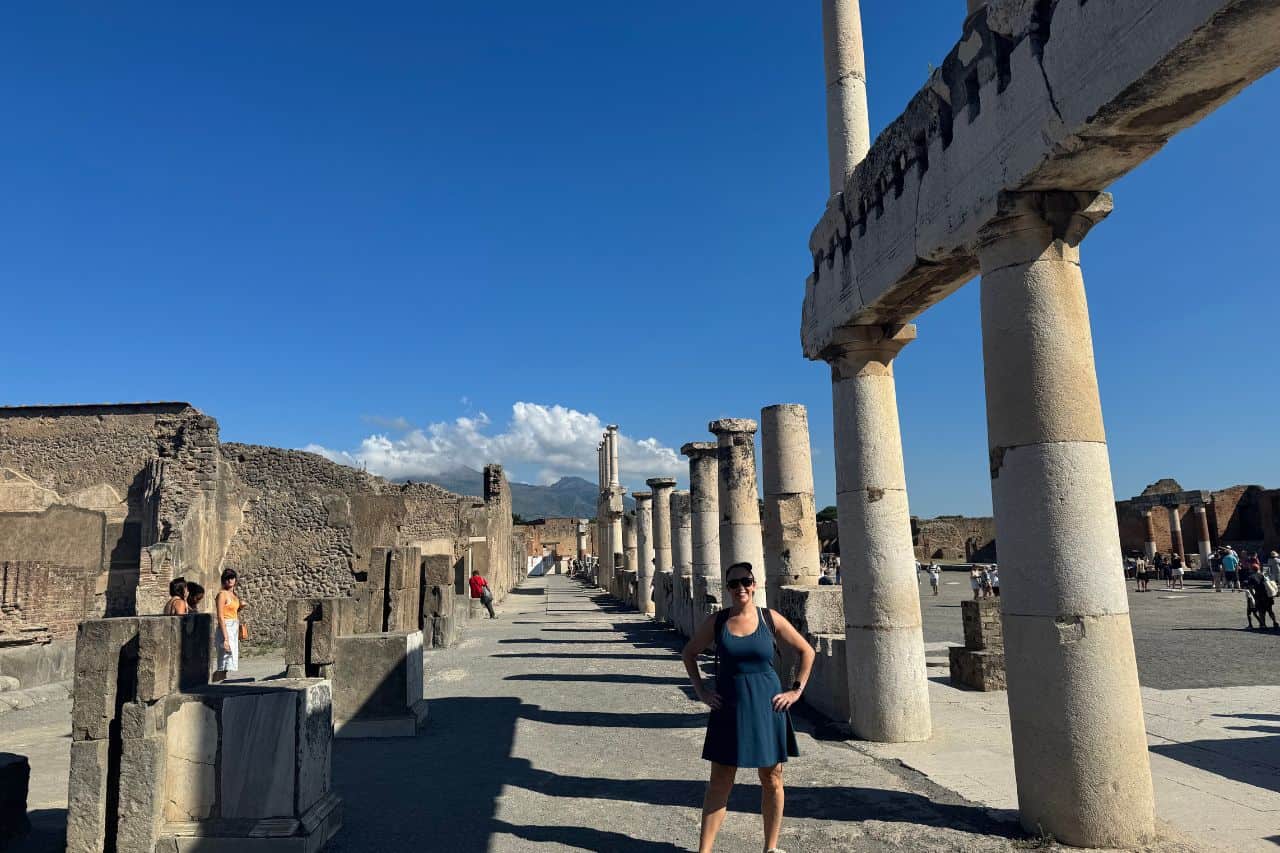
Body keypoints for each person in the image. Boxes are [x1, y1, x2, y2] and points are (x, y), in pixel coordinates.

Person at [682, 562, 814, 853]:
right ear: (727, 588)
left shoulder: (770, 618)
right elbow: (689, 653)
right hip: (729, 705)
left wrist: (795, 691)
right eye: (734, 583)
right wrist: (702, 691)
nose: (741, 587)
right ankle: (704, 851)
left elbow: (807, 650)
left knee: (772, 777)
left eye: (746, 581)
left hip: (768, 706)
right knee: (720, 780)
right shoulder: (717, 622)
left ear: (755, 584)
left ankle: (771, 847)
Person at [213, 569, 245, 683]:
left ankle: (214, 686)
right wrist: (226, 639)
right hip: (225, 629)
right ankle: (212, 688)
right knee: (223, 665)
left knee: (228, 666)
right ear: (223, 580)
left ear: (235, 579)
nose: (229, 580)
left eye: (232, 577)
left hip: (233, 629)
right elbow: (221, 616)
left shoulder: (234, 595)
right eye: (227, 578)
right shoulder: (222, 594)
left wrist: (240, 607)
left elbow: (232, 612)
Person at [1243, 564, 1278, 629]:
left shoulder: (1251, 577)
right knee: (1270, 610)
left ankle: (1263, 625)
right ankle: (1275, 622)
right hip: (1267, 594)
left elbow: (1250, 588)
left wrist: (1253, 596)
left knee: (1261, 611)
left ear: (1252, 569)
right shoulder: (1263, 575)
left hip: (1259, 595)